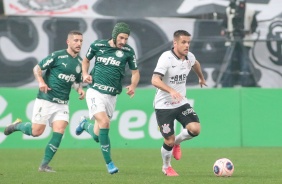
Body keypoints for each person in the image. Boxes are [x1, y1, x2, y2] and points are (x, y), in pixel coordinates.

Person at [4, 30, 85, 172]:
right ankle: (16, 125)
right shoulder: (57, 56)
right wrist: (41, 82)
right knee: (36, 132)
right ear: (68, 42)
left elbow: (76, 82)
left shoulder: (80, 63)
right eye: (76, 40)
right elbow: (37, 68)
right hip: (46, 99)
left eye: (81, 41)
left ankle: (44, 165)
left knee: (59, 130)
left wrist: (79, 90)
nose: (79, 43)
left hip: (62, 103)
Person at [75, 22, 140, 174]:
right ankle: (109, 163)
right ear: (115, 34)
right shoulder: (98, 45)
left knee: (98, 136)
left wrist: (133, 86)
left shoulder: (128, 52)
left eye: (126, 39)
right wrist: (85, 74)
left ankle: (85, 125)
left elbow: (135, 72)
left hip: (111, 96)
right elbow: (85, 60)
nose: (123, 41)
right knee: (104, 122)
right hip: (95, 91)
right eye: (121, 37)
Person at [151, 30, 207, 176]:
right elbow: (155, 80)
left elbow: (196, 64)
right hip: (163, 105)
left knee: (195, 129)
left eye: (188, 42)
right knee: (168, 140)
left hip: (181, 102)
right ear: (175, 43)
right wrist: (170, 90)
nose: (187, 45)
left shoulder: (189, 57)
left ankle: (178, 142)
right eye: (183, 42)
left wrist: (201, 77)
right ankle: (166, 167)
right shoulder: (166, 58)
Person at [220, 0, 258, 87]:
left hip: (245, 40)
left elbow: (254, 25)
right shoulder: (230, 10)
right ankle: (227, 84)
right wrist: (224, 30)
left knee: (245, 63)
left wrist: (249, 31)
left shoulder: (250, 11)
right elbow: (224, 24)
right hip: (232, 39)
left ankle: (245, 84)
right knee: (228, 62)